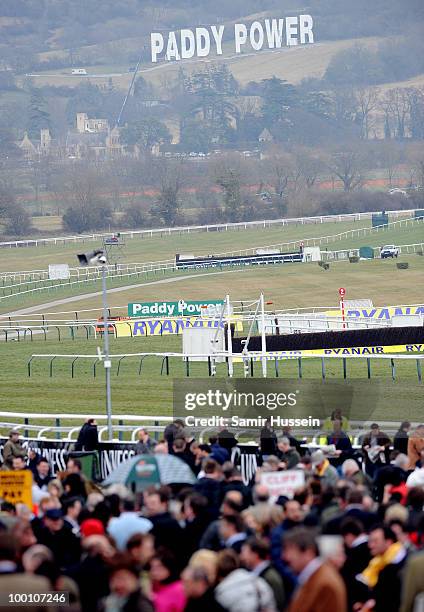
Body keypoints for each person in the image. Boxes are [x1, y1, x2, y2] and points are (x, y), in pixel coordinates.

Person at [283, 527, 347, 612]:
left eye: (290, 550)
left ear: (308, 552)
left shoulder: (325, 584)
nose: (285, 556)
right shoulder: (313, 577)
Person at [355, 524, 408, 612]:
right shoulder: (377, 562)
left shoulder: (399, 564)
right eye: (370, 541)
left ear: (388, 542)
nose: (370, 545)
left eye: (375, 541)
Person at [240, 536, 286, 610]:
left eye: (244, 552)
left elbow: (278, 605)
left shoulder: (270, 577)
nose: (241, 557)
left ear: (255, 554)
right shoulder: (254, 573)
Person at [150, 548, 186, 612]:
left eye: (159, 567)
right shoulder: (150, 587)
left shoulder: (179, 589)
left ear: (168, 567)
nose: (154, 572)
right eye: (152, 567)